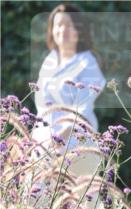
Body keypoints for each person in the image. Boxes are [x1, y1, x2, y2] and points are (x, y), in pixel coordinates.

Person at [32, 4, 106, 160]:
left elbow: (83, 110)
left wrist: (60, 138)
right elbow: (41, 106)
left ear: (79, 31)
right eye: (58, 25)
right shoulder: (50, 60)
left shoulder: (88, 62)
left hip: (77, 145)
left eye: (69, 25)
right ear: (52, 30)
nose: (63, 30)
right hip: (43, 144)